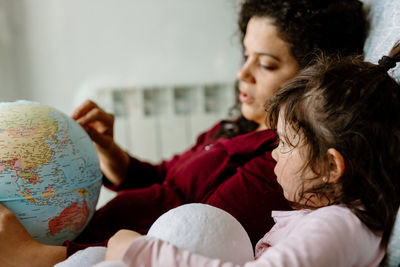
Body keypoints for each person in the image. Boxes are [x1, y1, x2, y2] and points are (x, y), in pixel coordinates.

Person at [0, 0, 367, 266]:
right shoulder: (235, 126)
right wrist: (110, 150)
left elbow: (184, 245)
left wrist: (41, 257)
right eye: (246, 56)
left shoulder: (278, 164)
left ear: (311, 81)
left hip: (91, 254)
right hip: (80, 237)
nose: (243, 75)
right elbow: (165, 181)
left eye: (267, 64)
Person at [96, 42, 400, 267]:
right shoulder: (330, 217)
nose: (275, 155)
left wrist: (142, 251)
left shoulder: (338, 226)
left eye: (284, 143)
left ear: (330, 166)